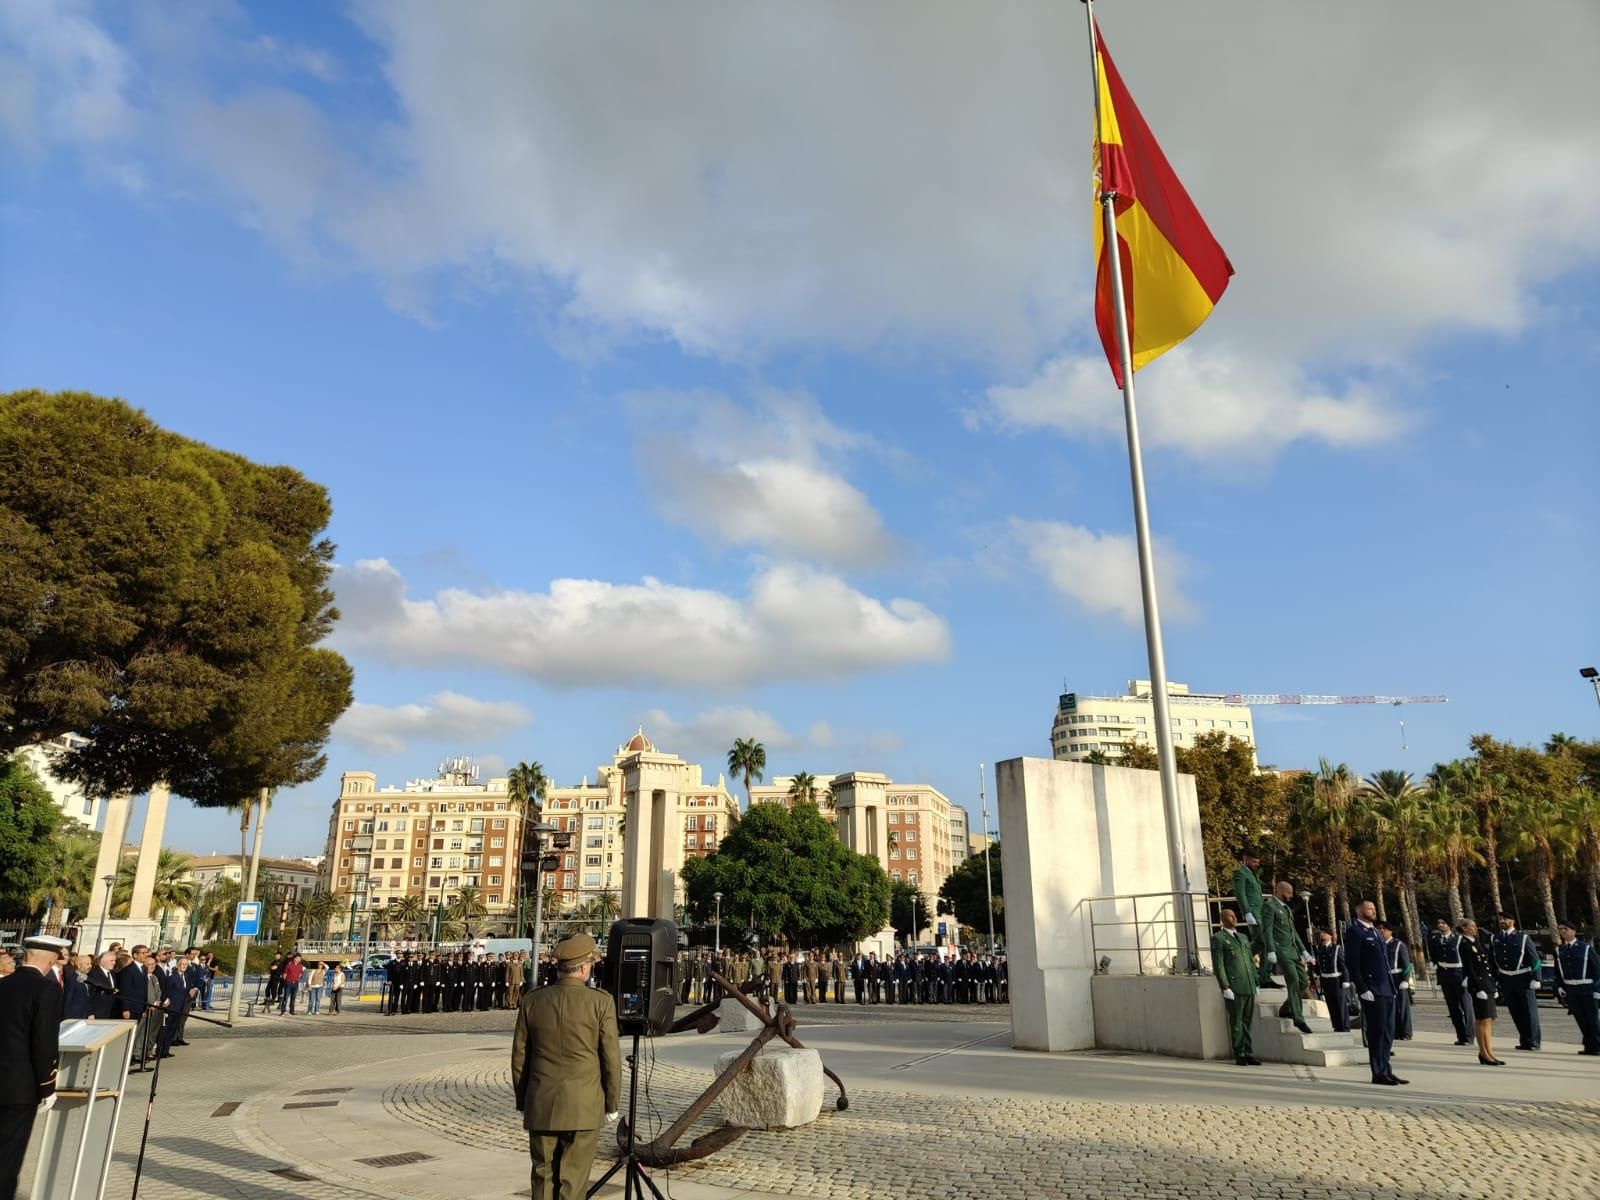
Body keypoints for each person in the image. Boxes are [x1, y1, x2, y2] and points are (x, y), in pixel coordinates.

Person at [511, 934, 620, 1200]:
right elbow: (610, 1059)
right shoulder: (600, 1002)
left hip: (542, 1101)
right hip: (584, 1104)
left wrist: (524, 1099)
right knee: (573, 1180)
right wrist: (611, 1104)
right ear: (584, 968)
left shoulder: (533, 1000)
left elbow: (519, 1058)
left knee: (543, 1175)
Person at [0, 934, 68, 1199]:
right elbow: (43, 1041)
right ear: (51, 958)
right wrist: (47, 1085)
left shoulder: (3, 985)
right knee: (7, 1159)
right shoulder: (46, 988)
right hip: (20, 1087)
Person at [1344, 899, 1405, 1085]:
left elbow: (1385, 961)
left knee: (1388, 1032)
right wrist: (1362, 988)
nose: (1373, 911)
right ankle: (1377, 1072)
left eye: (1374, 908)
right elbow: (1352, 963)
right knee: (1377, 1032)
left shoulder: (1375, 932)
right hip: (1372, 989)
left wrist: (1392, 987)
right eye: (1369, 908)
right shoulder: (1355, 932)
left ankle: (1386, 1069)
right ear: (1359, 910)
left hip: (1386, 988)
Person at [1261, 881, 1314, 1033]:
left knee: (1303, 982)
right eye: (1289, 893)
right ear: (1281, 890)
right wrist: (1270, 950)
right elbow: (1267, 930)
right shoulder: (1269, 906)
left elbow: (1293, 932)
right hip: (1281, 950)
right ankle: (1298, 1018)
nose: (1291, 896)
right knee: (1293, 980)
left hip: (1293, 951)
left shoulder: (1287, 909)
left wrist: (1303, 950)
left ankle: (1286, 1009)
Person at [1211, 909, 1260, 1065]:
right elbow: (1219, 965)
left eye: (1234, 915)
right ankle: (1239, 1052)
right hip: (1234, 986)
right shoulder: (1219, 939)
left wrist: (1256, 981)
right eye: (1229, 916)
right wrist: (1225, 986)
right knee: (1237, 1022)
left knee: (1247, 1021)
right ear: (1222, 920)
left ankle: (1248, 1051)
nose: (1234, 918)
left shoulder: (1243, 937)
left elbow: (1250, 962)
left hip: (1248, 985)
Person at [1492, 913, 1542, 1051]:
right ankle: (1524, 1040)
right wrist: (1494, 981)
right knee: (1516, 1012)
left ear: (1512, 921)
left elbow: (1535, 959)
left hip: (1523, 978)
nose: (1502, 921)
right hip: (1506, 979)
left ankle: (1533, 1041)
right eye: (1500, 919)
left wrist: (1536, 978)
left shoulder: (1523, 937)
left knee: (1529, 1012)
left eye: (1505, 919)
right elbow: (1492, 961)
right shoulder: (1495, 938)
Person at [1459, 919, 1503, 1065]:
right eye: (1471, 926)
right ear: (1464, 928)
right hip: (1479, 986)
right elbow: (1470, 968)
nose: (1475, 928)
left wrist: (1492, 986)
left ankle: (1489, 1051)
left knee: (1489, 1019)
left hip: (1487, 984)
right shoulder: (1464, 944)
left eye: (1474, 925)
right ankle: (1484, 1053)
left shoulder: (1475, 942)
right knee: (1482, 1020)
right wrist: (1478, 988)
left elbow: (1486, 965)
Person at [1554, 919, 1599, 1055]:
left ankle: (1597, 1046)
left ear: (1573, 931)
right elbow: (1558, 971)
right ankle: (1588, 1046)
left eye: (1565, 929)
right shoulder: (1559, 950)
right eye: (1560, 929)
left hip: (1587, 988)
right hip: (1571, 990)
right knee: (1581, 1019)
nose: (1562, 932)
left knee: (1592, 1019)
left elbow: (1597, 970)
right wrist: (1560, 986)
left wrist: (1597, 990)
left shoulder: (1585, 948)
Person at [1427, 917, 1473, 1045]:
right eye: (1439, 923)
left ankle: (1469, 1036)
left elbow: (1467, 958)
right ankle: (1461, 1036)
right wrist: (1433, 962)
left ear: (1450, 926)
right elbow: (1433, 954)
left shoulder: (1459, 939)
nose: (1440, 925)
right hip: (1445, 976)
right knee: (1453, 1009)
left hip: (1459, 975)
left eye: (1443, 923)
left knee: (1466, 1008)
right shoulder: (1435, 939)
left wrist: (1468, 976)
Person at [1232, 850, 1274, 988]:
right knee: (1266, 941)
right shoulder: (1240, 873)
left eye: (1257, 862)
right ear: (1246, 859)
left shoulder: (1253, 875)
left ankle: (1238, 957)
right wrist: (1247, 913)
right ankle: (1264, 977)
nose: (1256, 865)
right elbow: (1241, 894)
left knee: (1260, 942)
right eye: (1254, 862)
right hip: (1253, 913)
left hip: (1260, 912)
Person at [1379, 923, 1414, 1040]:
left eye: (1384, 929)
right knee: (1390, 1006)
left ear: (1390, 931)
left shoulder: (1398, 944)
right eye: (1380, 929)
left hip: (1398, 977)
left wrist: (1405, 980)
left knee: (1402, 1006)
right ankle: (1395, 1031)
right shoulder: (1379, 944)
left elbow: (1407, 965)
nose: (1382, 931)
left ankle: (1406, 1032)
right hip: (1385, 978)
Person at [1312, 929, 1351, 1033]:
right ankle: (1336, 1026)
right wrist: (1316, 973)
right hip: (1326, 980)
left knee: (1340, 1004)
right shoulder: (1319, 948)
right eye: (1321, 933)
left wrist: (1346, 979)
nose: (1322, 934)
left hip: (1336, 979)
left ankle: (1345, 1026)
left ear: (1330, 936)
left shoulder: (1336, 948)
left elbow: (1343, 964)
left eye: (1324, 933)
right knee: (1331, 1004)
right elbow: (1319, 964)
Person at [87, 950, 121, 1020]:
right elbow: (89, 995)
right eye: (111, 961)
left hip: (110, 1012)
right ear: (103, 962)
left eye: (114, 960)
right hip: (97, 1012)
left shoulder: (113, 973)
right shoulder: (93, 974)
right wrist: (90, 1012)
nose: (114, 963)